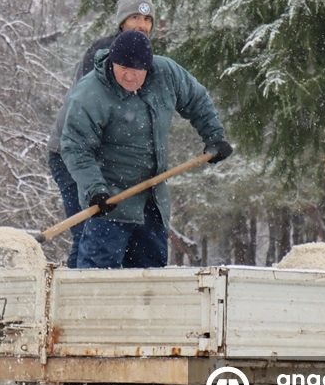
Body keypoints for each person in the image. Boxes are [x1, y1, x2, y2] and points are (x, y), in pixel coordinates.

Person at [61, 30, 232, 269]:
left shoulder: (167, 74)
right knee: (98, 278)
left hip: (152, 201)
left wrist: (214, 137)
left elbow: (196, 99)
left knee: (149, 277)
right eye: (122, 68)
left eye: (136, 70)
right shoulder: (90, 94)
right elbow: (75, 148)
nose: (129, 76)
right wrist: (95, 189)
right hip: (109, 203)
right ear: (112, 61)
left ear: (148, 68)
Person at [48, 0, 157, 268]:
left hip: (102, 160)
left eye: (147, 19)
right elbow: (95, 117)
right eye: (135, 17)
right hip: (72, 154)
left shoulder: (145, 58)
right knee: (88, 232)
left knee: (101, 236)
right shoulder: (105, 53)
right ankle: (69, 303)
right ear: (122, 22)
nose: (141, 25)